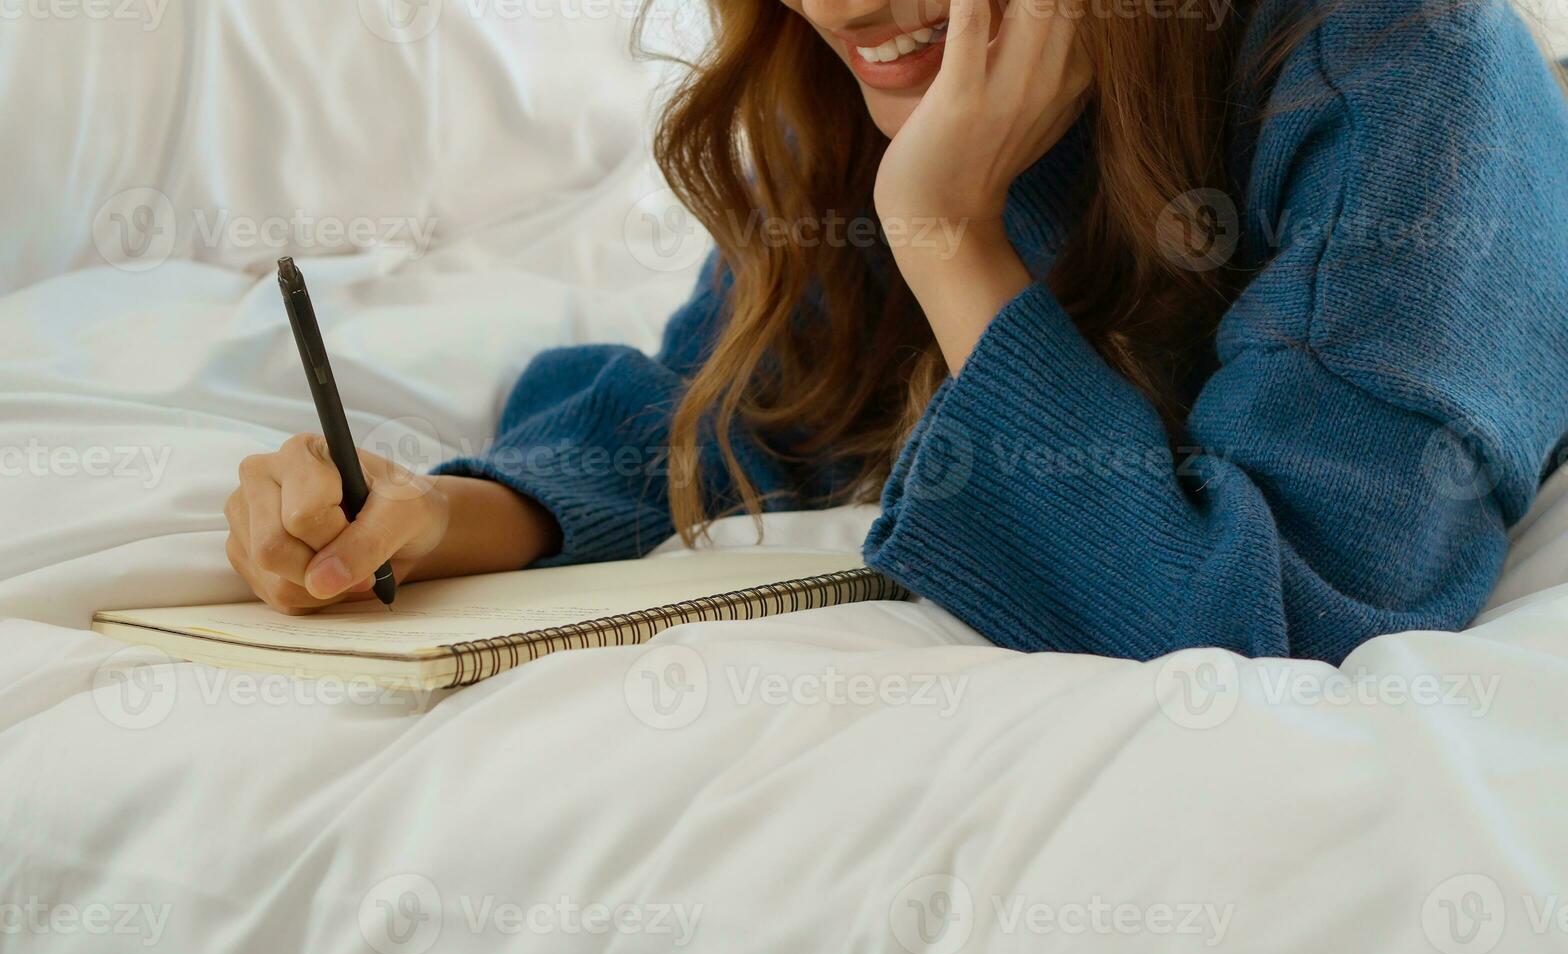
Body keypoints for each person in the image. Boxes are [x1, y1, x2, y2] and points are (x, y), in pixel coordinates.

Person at [223, 0, 1568, 664]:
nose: (850, 7)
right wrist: (423, 520)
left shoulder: (1413, 71)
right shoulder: (907, 81)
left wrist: (944, 232)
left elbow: (1259, 607)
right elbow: (742, 401)